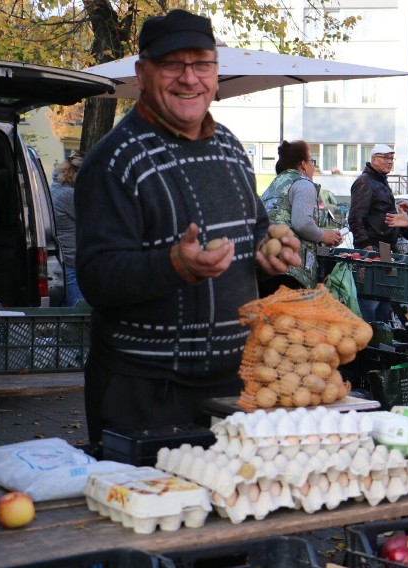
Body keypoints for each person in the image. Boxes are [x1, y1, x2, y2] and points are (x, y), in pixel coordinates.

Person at [74, 9, 300, 446]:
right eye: (172, 64)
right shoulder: (113, 160)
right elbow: (97, 278)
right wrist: (175, 264)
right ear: (143, 72)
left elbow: (254, 232)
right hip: (143, 392)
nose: (189, 78)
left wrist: (267, 255)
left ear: (216, 73)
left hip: (233, 385)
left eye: (201, 64)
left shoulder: (231, 148)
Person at [259, 140, 343, 296]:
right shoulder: (303, 183)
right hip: (291, 270)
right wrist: (323, 235)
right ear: (303, 164)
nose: (313, 166)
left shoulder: (275, 184)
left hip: (266, 266)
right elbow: (302, 223)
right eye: (312, 161)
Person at [348, 143, 399, 322]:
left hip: (384, 248)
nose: (389, 162)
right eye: (385, 158)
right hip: (372, 248)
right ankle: (367, 344)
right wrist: (366, 247)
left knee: (385, 299)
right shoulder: (365, 182)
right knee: (369, 300)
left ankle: (382, 343)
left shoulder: (379, 181)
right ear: (373, 159)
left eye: (391, 158)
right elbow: (355, 218)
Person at [50, 150, 86, 307]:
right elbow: (92, 220)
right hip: (71, 259)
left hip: (63, 257)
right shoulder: (69, 195)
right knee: (78, 309)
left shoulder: (56, 189)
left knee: (67, 311)